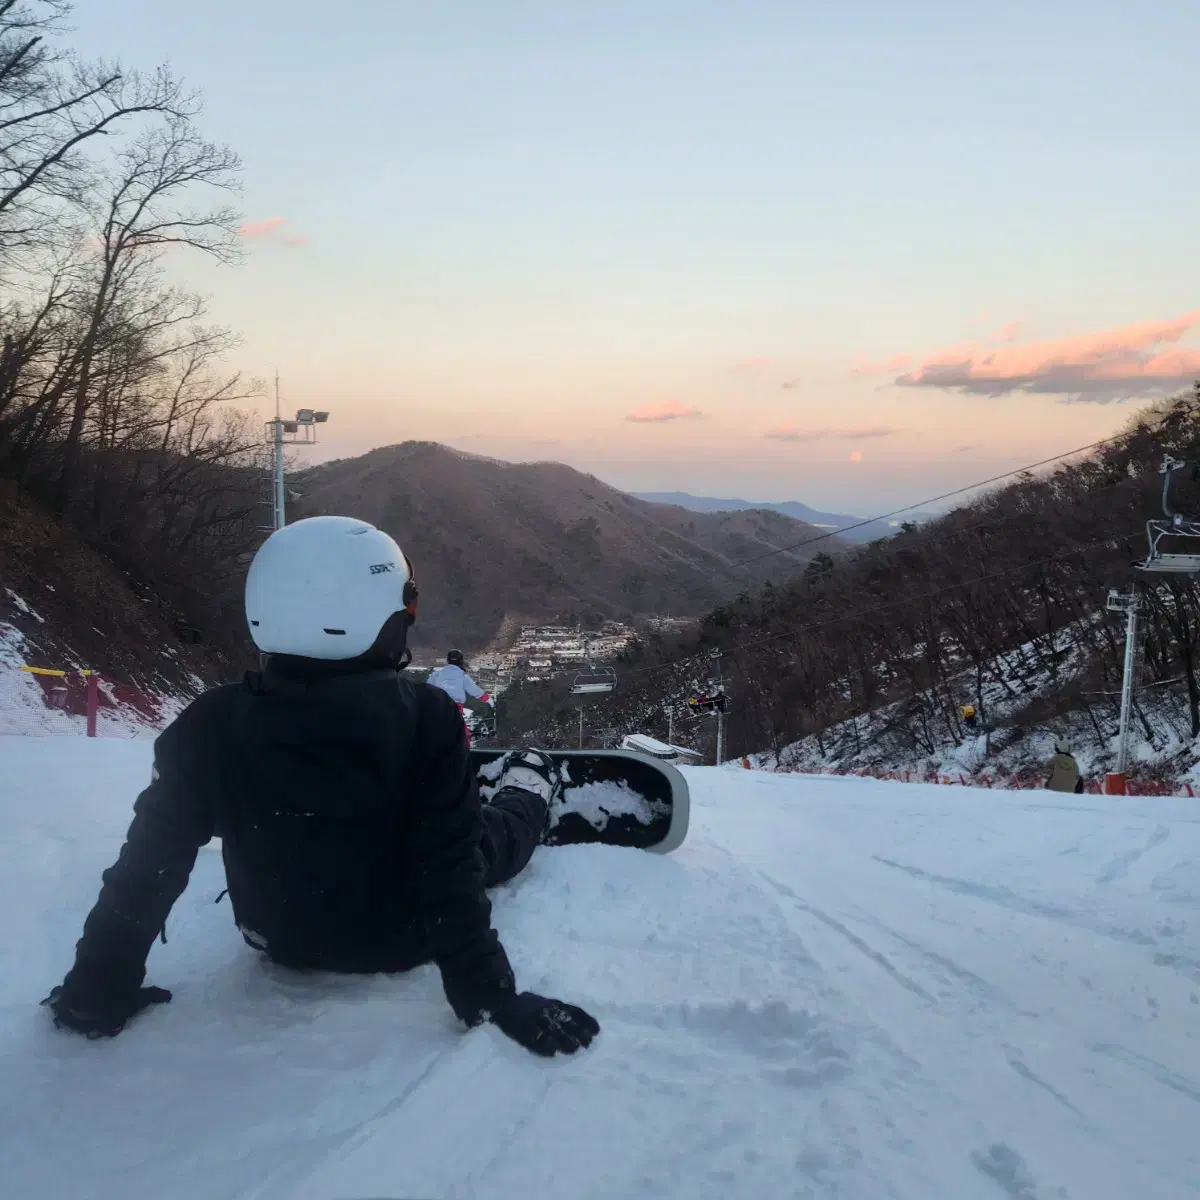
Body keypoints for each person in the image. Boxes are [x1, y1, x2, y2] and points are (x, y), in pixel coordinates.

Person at [41, 516, 599, 1058]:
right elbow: (449, 866)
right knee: (489, 838)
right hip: (404, 940)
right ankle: (530, 786)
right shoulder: (426, 717)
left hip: (275, 937)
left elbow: (148, 864)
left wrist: (95, 991)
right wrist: (490, 998)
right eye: (407, 603)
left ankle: (508, 795)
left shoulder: (212, 723)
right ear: (376, 615)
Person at [426, 649, 494, 745]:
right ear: (461, 661)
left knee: (437, 729)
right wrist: (487, 699)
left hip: (437, 706)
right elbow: (474, 690)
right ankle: (463, 750)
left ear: (448, 660)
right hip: (455, 707)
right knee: (459, 732)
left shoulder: (437, 674)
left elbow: (426, 688)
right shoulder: (462, 676)